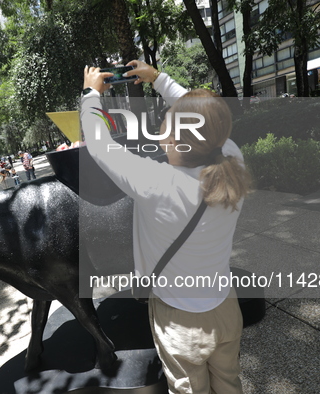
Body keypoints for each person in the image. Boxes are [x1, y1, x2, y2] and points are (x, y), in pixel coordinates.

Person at [81, 60, 251, 394]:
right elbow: (209, 118)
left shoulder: (156, 182)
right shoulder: (233, 160)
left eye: (166, 131)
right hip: (226, 308)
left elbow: (100, 145)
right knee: (229, 382)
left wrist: (90, 94)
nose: (160, 137)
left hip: (180, 321)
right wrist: (159, 80)